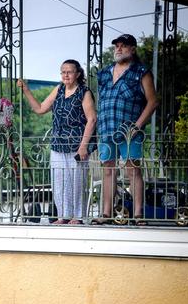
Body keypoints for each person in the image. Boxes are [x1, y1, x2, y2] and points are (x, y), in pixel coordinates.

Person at [17, 59, 97, 224]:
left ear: (78, 74)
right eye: (63, 72)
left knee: (77, 182)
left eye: (69, 71)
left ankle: (78, 217)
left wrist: (84, 146)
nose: (65, 75)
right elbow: (40, 109)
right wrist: (26, 90)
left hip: (77, 145)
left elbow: (92, 119)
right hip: (58, 144)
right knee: (59, 183)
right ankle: (63, 216)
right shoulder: (59, 89)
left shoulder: (84, 92)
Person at [94, 34, 158, 225]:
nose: (119, 49)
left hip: (130, 132)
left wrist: (137, 126)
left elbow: (153, 101)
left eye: (123, 46)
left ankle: (138, 214)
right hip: (107, 130)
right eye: (117, 46)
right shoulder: (104, 73)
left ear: (133, 49)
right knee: (108, 170)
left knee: (133, 170)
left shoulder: (141, 71)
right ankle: (106, 213)